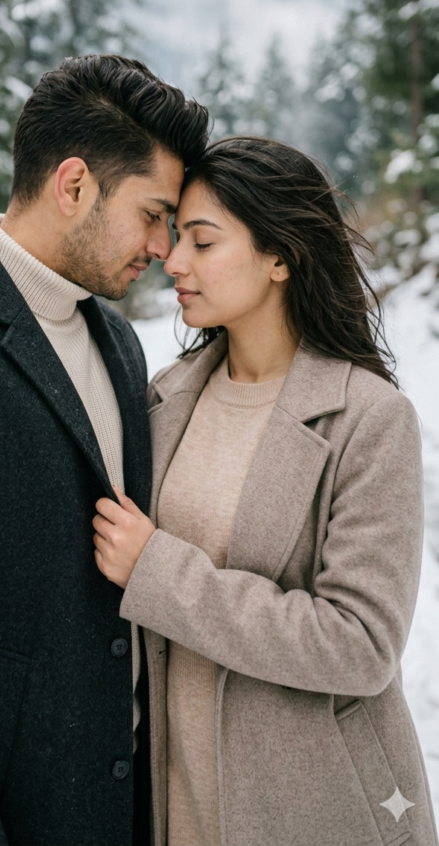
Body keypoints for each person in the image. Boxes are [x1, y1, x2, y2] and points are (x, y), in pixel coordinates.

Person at [0, 54, 208, 846]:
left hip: (122, 814)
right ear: (75, 185)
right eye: (153, 213)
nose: (163, 245)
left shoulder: (119, 341)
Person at [93, 135, 439, 846]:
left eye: (203, 241)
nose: (174, 261)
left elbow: (360, 644)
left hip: (313, 807)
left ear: (280, 257)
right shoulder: (163, 400)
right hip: (180, 803)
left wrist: (160, 571)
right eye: (175, 236)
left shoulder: (370, 420)